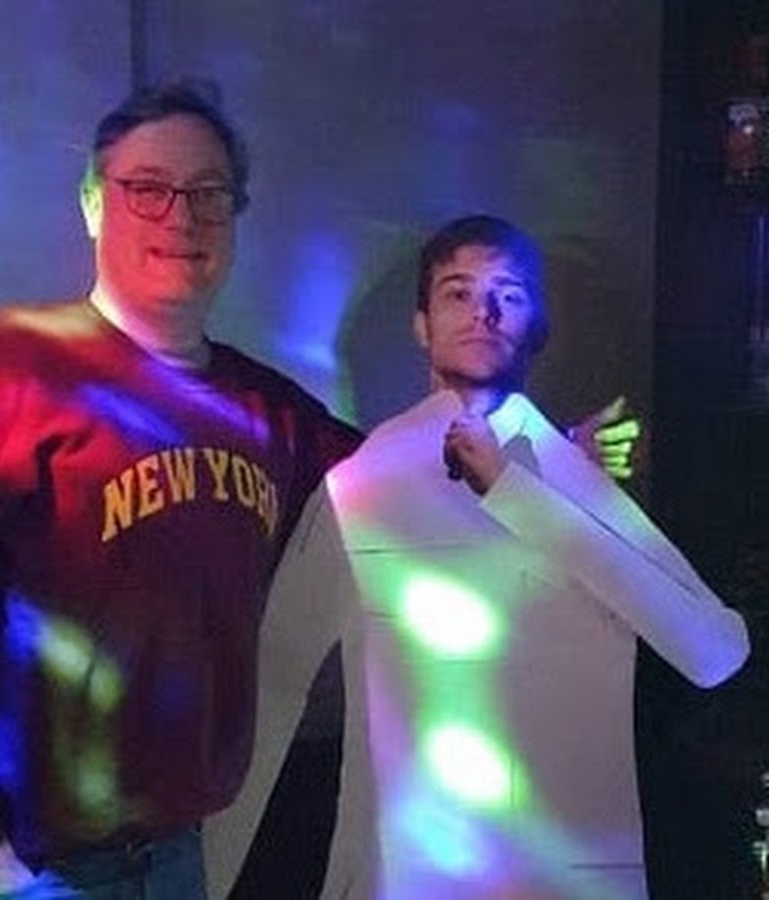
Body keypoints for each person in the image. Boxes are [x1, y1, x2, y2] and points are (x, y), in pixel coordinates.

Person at [0, 81, 363, 898]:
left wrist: (538, 461)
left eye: (208, 192)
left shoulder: (269, 415)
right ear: (94, 205)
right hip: (22, 868)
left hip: (179, 859)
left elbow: (408, 491)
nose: (181, 217)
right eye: (148, 188)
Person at [202, 215, 750, 899]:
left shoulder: (569, 476)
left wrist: (527, 492)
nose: (483, 312)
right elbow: (274, 688)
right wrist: (212, 873)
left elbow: (714, 651)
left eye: (507, 295)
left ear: (535, 326)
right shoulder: (360, 486)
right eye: (458, 292)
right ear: (422, 324)